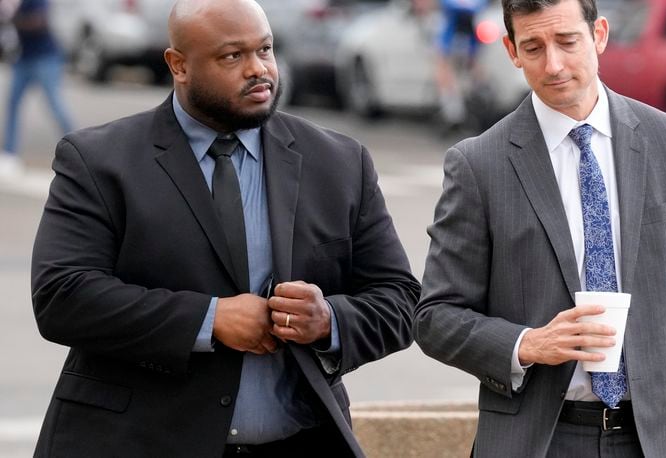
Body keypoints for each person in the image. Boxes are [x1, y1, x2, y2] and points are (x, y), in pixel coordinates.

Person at [30, 0, 419, 456]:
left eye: (266, 50)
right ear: (178, 65)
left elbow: (400, 300)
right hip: (138, 442)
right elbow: (63, 295)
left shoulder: (339, 161)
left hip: (299, 442)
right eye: (232, 56)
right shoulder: (98, 161)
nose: (259, 70)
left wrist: (328, 320)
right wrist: (210, 319)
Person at [414, 0, 666, 456]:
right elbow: (435, 317)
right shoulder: (479, 165)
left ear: (598, 34)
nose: (553, 64)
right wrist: (528, 343)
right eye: (534, 47)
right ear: (511, 50)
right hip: (541, 439)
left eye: (567, 41)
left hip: (661, 438)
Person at [1, 0, 73, 177]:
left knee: (55, 105)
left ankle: (78, 146)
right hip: (23, 58)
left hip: (45, 58)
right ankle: (9, 154)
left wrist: (12, 18)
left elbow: (38, 21)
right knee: (12, 105)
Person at [434, 0, 488, 132]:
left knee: (476, 73)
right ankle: (453, 113)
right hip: (450, 41)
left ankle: (477, 104)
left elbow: (479, 7)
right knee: (445, 73)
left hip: (471, 41)